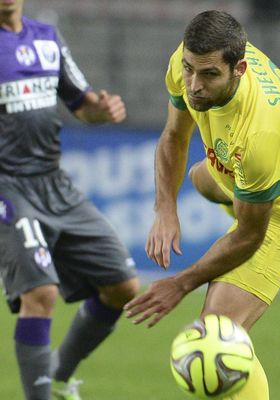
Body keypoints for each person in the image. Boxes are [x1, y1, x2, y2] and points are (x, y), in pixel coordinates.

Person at [123, 10, 280, 400]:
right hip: (237, 174)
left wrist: (181, 284)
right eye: (189, 70)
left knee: (218, 333)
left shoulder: (259, 135)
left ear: (239, 69)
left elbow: (250, 236)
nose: (194, 86)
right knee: (202, 178)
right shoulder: (189, 62)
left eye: (208, 76)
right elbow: (173, 136)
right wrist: (165, 210)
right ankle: (244, 206)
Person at [0, 1, 140, 400]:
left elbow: (82, 103)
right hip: (7, 187)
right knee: (40, 294)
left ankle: (59, 378)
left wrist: (102, 109)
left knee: (123, 286)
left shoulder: (47, 38)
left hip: (54, 183)